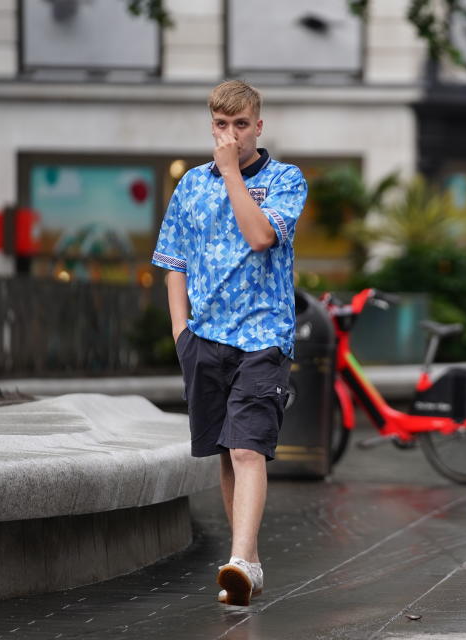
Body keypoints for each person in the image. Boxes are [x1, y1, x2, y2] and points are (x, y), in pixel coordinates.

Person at [151, 80, 308, 606]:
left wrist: (233, 175)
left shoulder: (286, 179)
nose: (231, 135)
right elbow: (172, 260)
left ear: (257, 127)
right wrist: (181, 332)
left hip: (264, 336)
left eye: (241, 125)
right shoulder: (191, 185)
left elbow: (261, 236)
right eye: (222, 125)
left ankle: (240, 559)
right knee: (225, 451)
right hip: (206, 338)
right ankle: (250, 560)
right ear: (211, 125)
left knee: (247, 447)